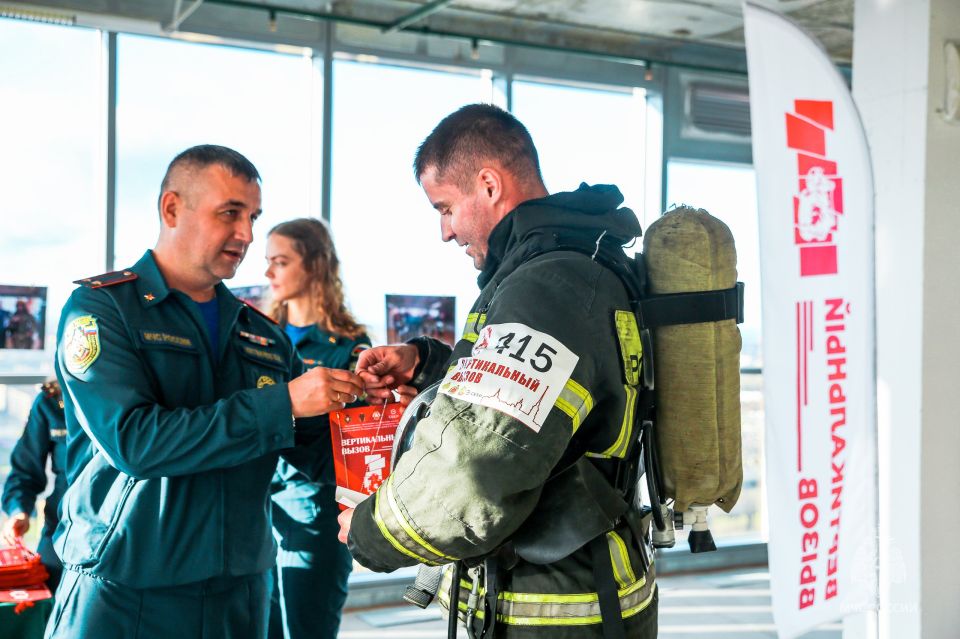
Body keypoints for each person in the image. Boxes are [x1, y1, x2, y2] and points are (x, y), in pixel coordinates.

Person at [339, 104, 658, 638]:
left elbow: (477, 466)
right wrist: (425, 364)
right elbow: (530, 399)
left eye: (445, 208)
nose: (444, 232)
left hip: (555, 612)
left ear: (488, 184)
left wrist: (372, 530)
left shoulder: (550, 286)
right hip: (567, 595)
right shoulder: (563, 270)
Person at [45, 145, 363, 639]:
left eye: (253, 216)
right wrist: (283, 403)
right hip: (125, 589)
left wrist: (376, 405)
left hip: (239, 592)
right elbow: (135, 442)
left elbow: (318, 451)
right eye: (230, 213)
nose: (246, 234)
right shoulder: (102, 311)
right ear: (172, 209)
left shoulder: (261, 334)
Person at [263, 218, 371, 639]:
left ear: (313, 266)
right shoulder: (260, 338)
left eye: (281, 261)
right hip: (258, 517)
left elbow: (353, 450)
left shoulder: (349, 347)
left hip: (315, 520)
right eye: (268, 261)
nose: (269, 273)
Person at [1, 380, 67, 591]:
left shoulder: (130, 396)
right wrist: (19, 510)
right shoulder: (51, 400)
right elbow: (25, 470)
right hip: (61, 525)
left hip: (118, 529)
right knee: (42, 600)